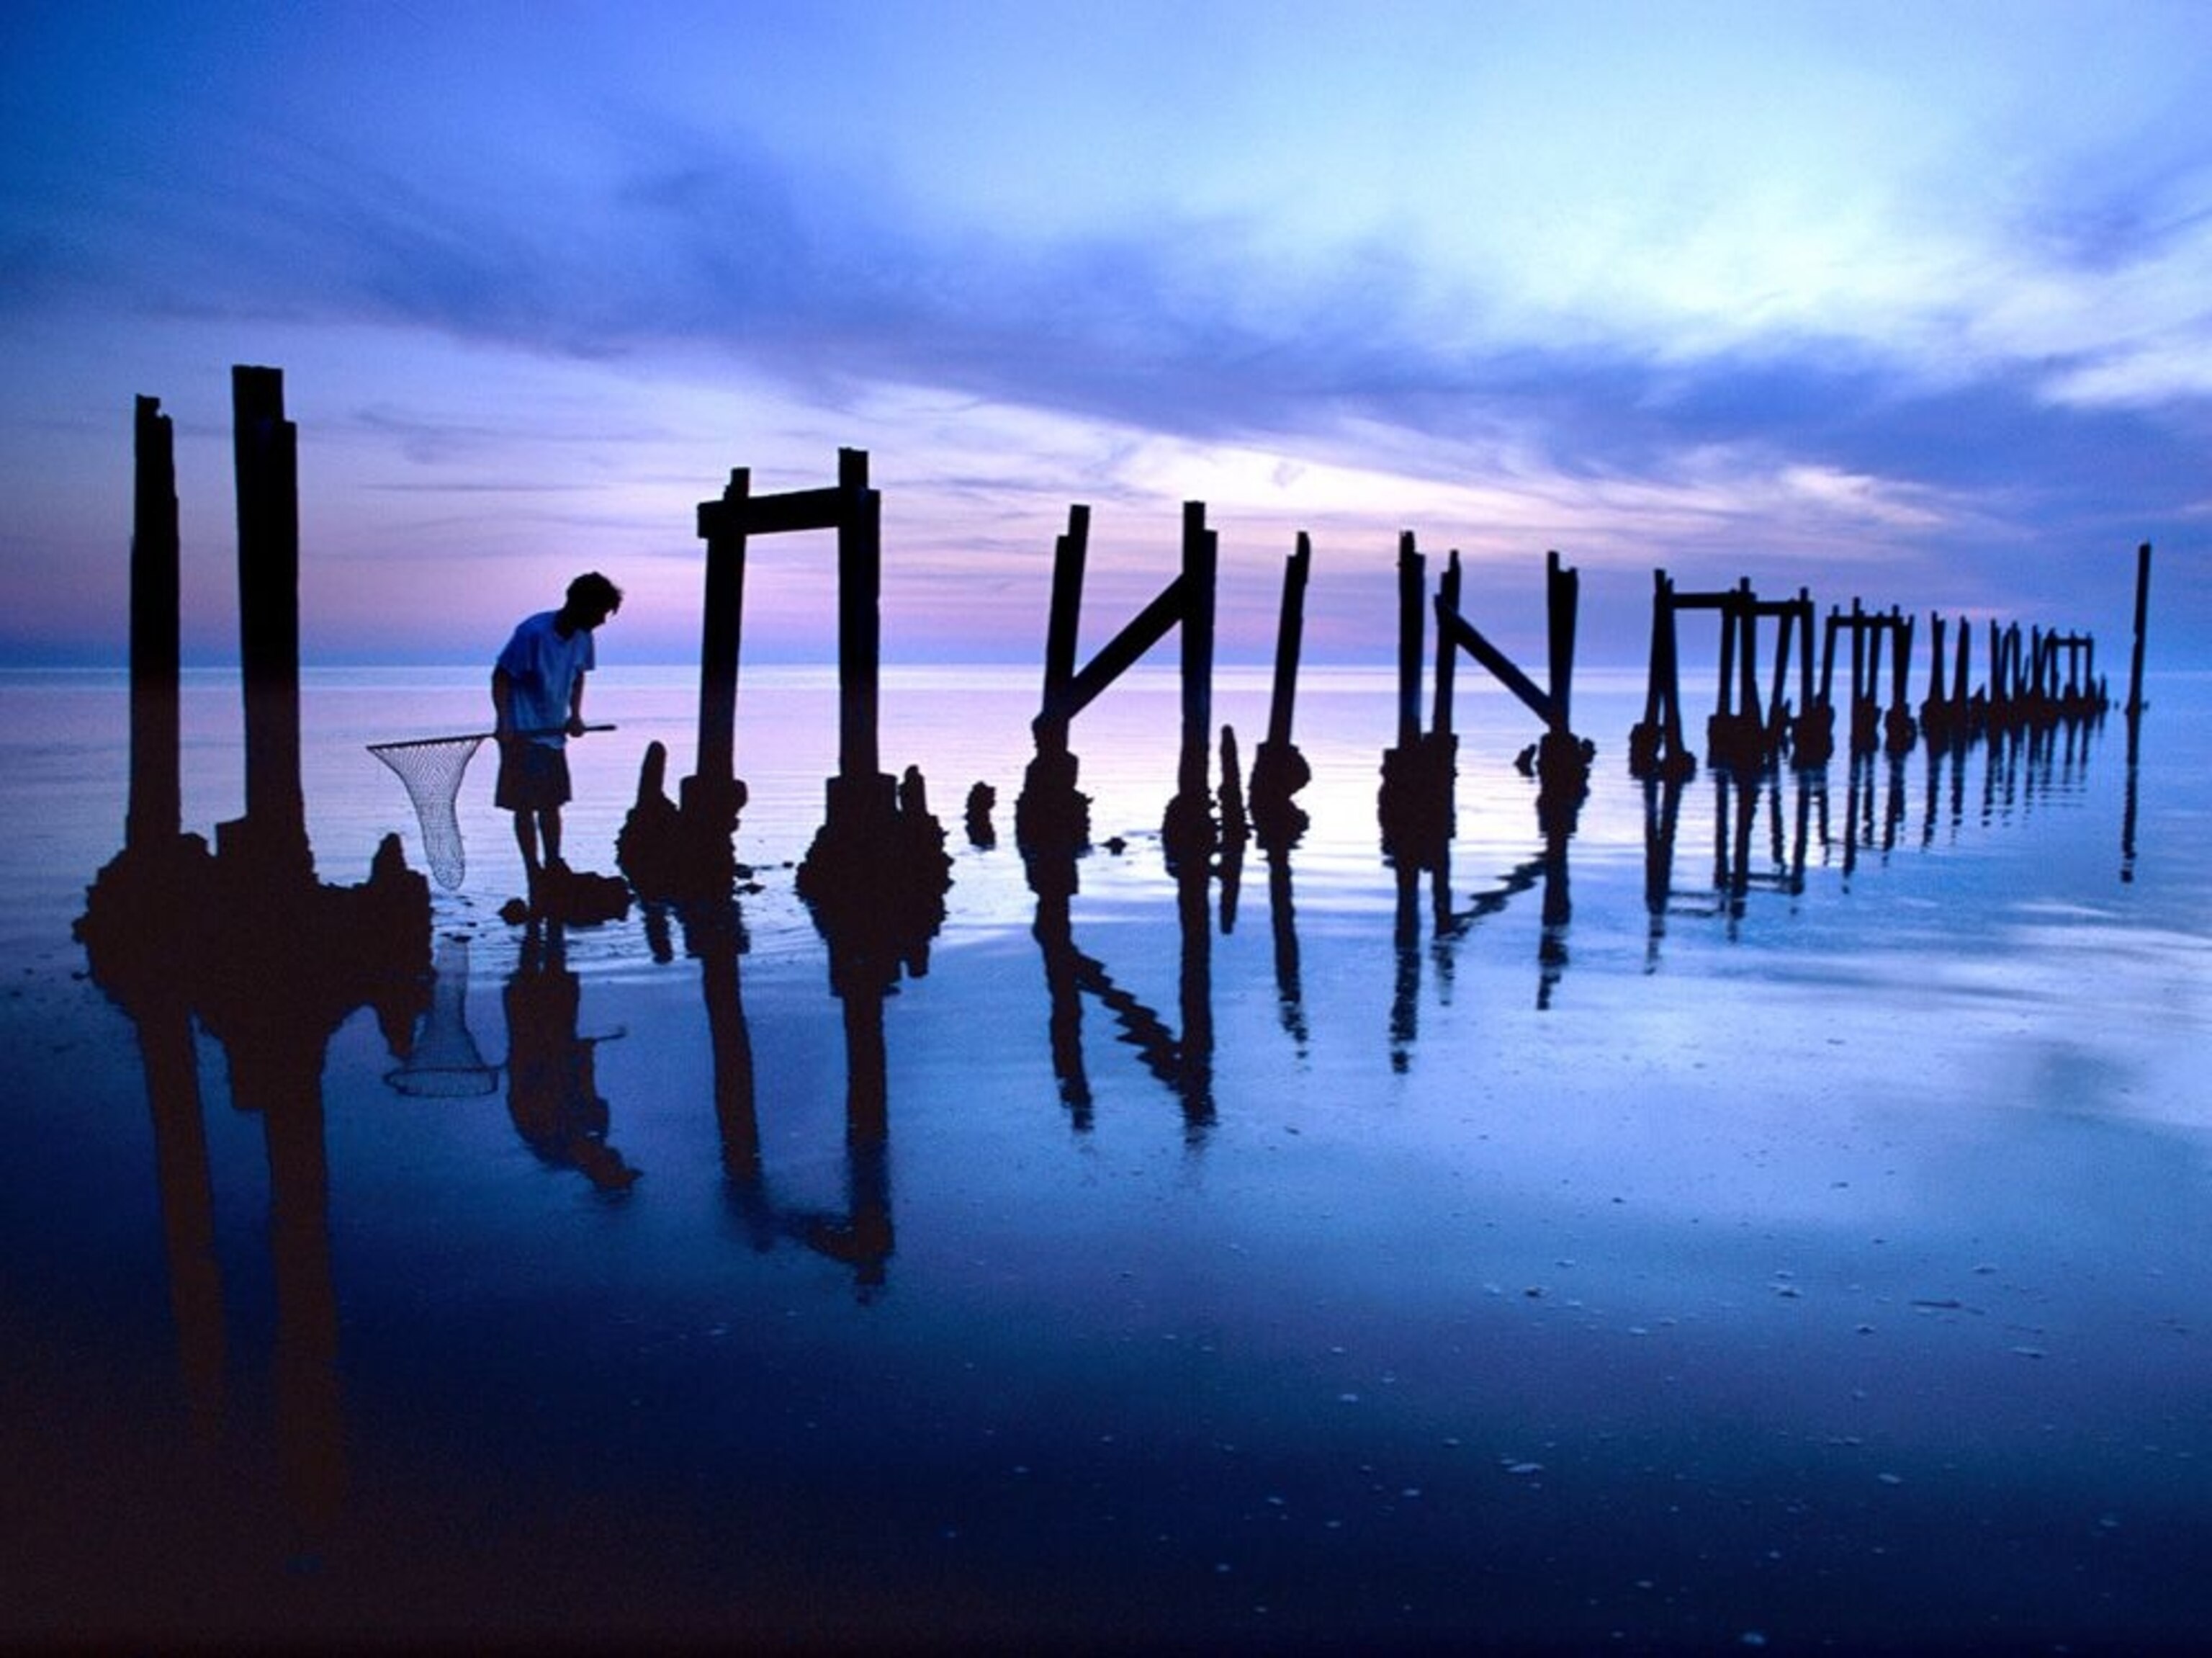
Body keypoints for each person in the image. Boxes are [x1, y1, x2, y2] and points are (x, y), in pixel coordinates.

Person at [492, 571, 621, 899]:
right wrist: (504, 722)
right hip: (523, 734)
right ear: (580, 604)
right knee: (525, 807)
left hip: (553, 734)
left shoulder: (583, 636)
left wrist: (575, 716)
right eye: (600, 612)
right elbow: (501, 677)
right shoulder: (532, 633)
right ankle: (532, 871)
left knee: (552, 804)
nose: (602, 621)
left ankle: (552, 864)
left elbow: (578, 677)